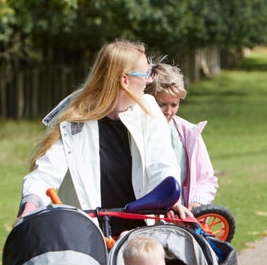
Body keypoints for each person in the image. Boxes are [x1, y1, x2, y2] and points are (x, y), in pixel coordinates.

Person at [19, 40, 192, 237]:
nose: (149, 81)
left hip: (141, 236)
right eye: (145, 74)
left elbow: (161, 163)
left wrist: (172, 200)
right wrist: (30, 205)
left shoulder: (149, 109)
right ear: (124, 80)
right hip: (88, 236)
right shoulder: (74, 115)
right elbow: (47, 172)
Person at [146, 63, 219, 207]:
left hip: (181, 217)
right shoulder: (138, 132)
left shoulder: (189, 133)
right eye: (162, 105)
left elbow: (206, 178)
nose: (168, 111)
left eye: (174, 105)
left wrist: (197, 201)